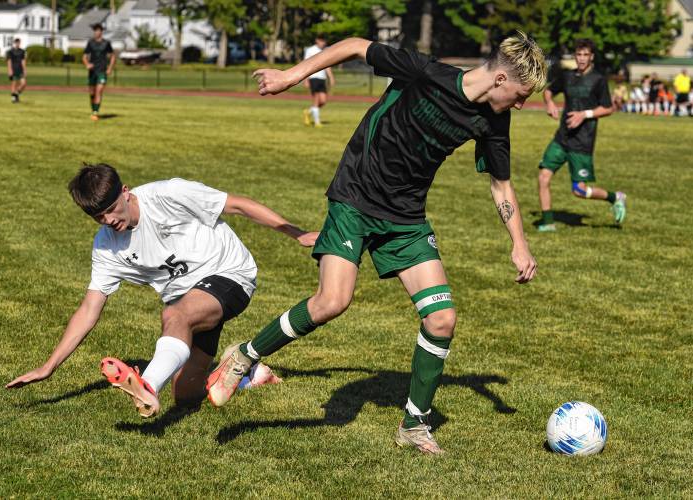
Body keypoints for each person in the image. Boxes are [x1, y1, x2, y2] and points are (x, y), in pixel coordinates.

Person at [206, 32, 544, 455]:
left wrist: (519, 243)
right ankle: (245, 355)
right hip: (355, 197)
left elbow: (502, 185)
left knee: (441, 319)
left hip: (405, 218)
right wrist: (291, 76)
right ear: (499, 79)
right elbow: (352, 45)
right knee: (333, 300)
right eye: (520, 95)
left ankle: (414, 426)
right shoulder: (426, 73)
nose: (520, 105)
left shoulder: (493, 120)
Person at [6, 164, 318, 418]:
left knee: (174, 313)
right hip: (188, 303)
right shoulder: (106, 247)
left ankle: (147, 386)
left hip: (229, 274)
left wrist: (297, 233)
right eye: (99, 217)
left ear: (126, 192)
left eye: (112, 209)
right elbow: (90, 308)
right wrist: (50, 366)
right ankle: (246, 371)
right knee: (186, 397)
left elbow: (236, 205)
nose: (109, 220)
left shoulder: (168, 194)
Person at [537, 39, 626, 232]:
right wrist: (550, 103)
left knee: (579, 190)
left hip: (583, 141)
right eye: (579, 54)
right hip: (562, 138)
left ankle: (615, 197)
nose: (582, 58)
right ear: (575, 56)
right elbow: (548, 91)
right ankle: (547, 222)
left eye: (586, 55)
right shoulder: (567, 76)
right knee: (543, 177)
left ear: (592, 57)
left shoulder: (599, 80)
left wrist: (584, 114)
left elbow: (608, 108)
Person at [82, 24, 116, 121]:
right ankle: (93, 108)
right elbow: (84, 56)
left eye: (99, 30)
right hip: (92, 71)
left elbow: (113, 56)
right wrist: (87, 64)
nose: (97, 32)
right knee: (92, 92)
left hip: (102, 71)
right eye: (95, 30)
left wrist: (109, 68)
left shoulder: (106, 43)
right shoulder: (90, 43)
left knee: (99, 91)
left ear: (101, 32)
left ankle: (95, 113)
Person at [302, 34, 335, 127]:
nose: (323, 43)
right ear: (317, 40)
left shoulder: (326, 50)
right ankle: (317, 122)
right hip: (313, 78)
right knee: (316, 100)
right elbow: (305, 65)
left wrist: (331, 77)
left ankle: (308, 112)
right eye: (321, 41)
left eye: (324, 41)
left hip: (322, 78)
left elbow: (327, 65)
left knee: (323, 101)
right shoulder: (310, 50)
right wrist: (305, 79)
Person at [6, 38, 26, 103]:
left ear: (20, 43)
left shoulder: (22, 51)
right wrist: (9, 70)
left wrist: (24, 69)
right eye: (16, 42)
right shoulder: (10, 51)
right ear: (14, 43)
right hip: (13, 69)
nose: (17, 44)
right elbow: (9, 61)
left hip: (20, 69)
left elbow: (23, 61)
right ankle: (13, 98)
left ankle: (16, 94)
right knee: (14, 84)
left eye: (18, 42)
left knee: (23, 83)